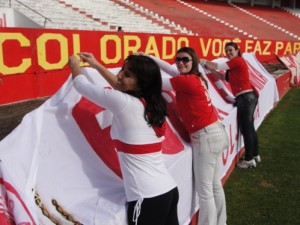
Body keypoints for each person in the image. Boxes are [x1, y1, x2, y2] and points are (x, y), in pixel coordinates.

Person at [67, 53, 179, 225]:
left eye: (127, 74)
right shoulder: (150, 103)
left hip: (146, 198)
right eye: (122, 70)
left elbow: (81, 85)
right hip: (168, 190)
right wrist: (96, 64)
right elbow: (119, 87)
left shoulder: (124, 103)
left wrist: (75, 65)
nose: (119, 75)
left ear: (141, 82)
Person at [138, 47, 229, 225]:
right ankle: (221, 222)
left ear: (193, 60)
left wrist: (141, 66)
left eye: (185, 59)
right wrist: (149, 57)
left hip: (206, 136)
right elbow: (171, 70)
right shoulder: (196, 77)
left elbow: (156, 82)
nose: (180, 63)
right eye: (177, 59)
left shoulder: (187, 81)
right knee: (214, 185)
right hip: (215, 131)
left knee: (205, 191)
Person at [199, 41, 260, 169]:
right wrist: (209, 69)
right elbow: (222, 76)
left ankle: (249, 159)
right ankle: (254, 155)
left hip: (245, 98)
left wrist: (203, 61)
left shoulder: (237, 61)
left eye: (230, 50)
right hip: (247, 97)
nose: (228, 53)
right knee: (250, 128)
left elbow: (218, 65)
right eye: (226, 51)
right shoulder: (235, 66)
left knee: (246, 129)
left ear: (237, 50)